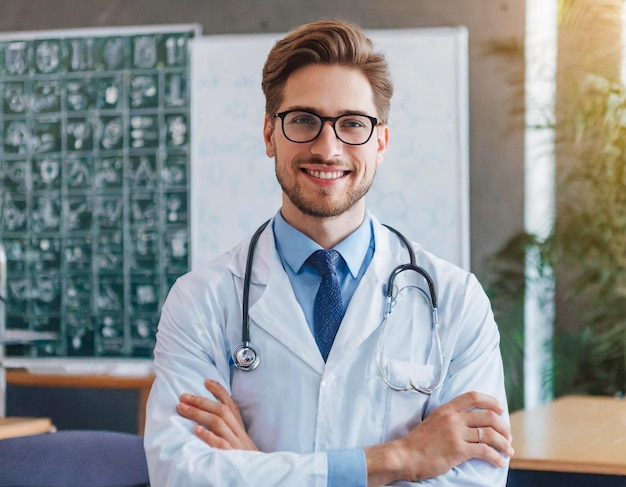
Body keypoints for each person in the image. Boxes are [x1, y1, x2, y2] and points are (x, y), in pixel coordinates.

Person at [144, 18, 514, 486]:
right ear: (268, 134)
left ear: (380, 141)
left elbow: (473, 479)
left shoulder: (456, 300)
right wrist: (396, 459)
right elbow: (181, 474)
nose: (328, 147)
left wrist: (255, 466)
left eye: (352, 124)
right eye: (303, 120)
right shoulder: (201, 300)